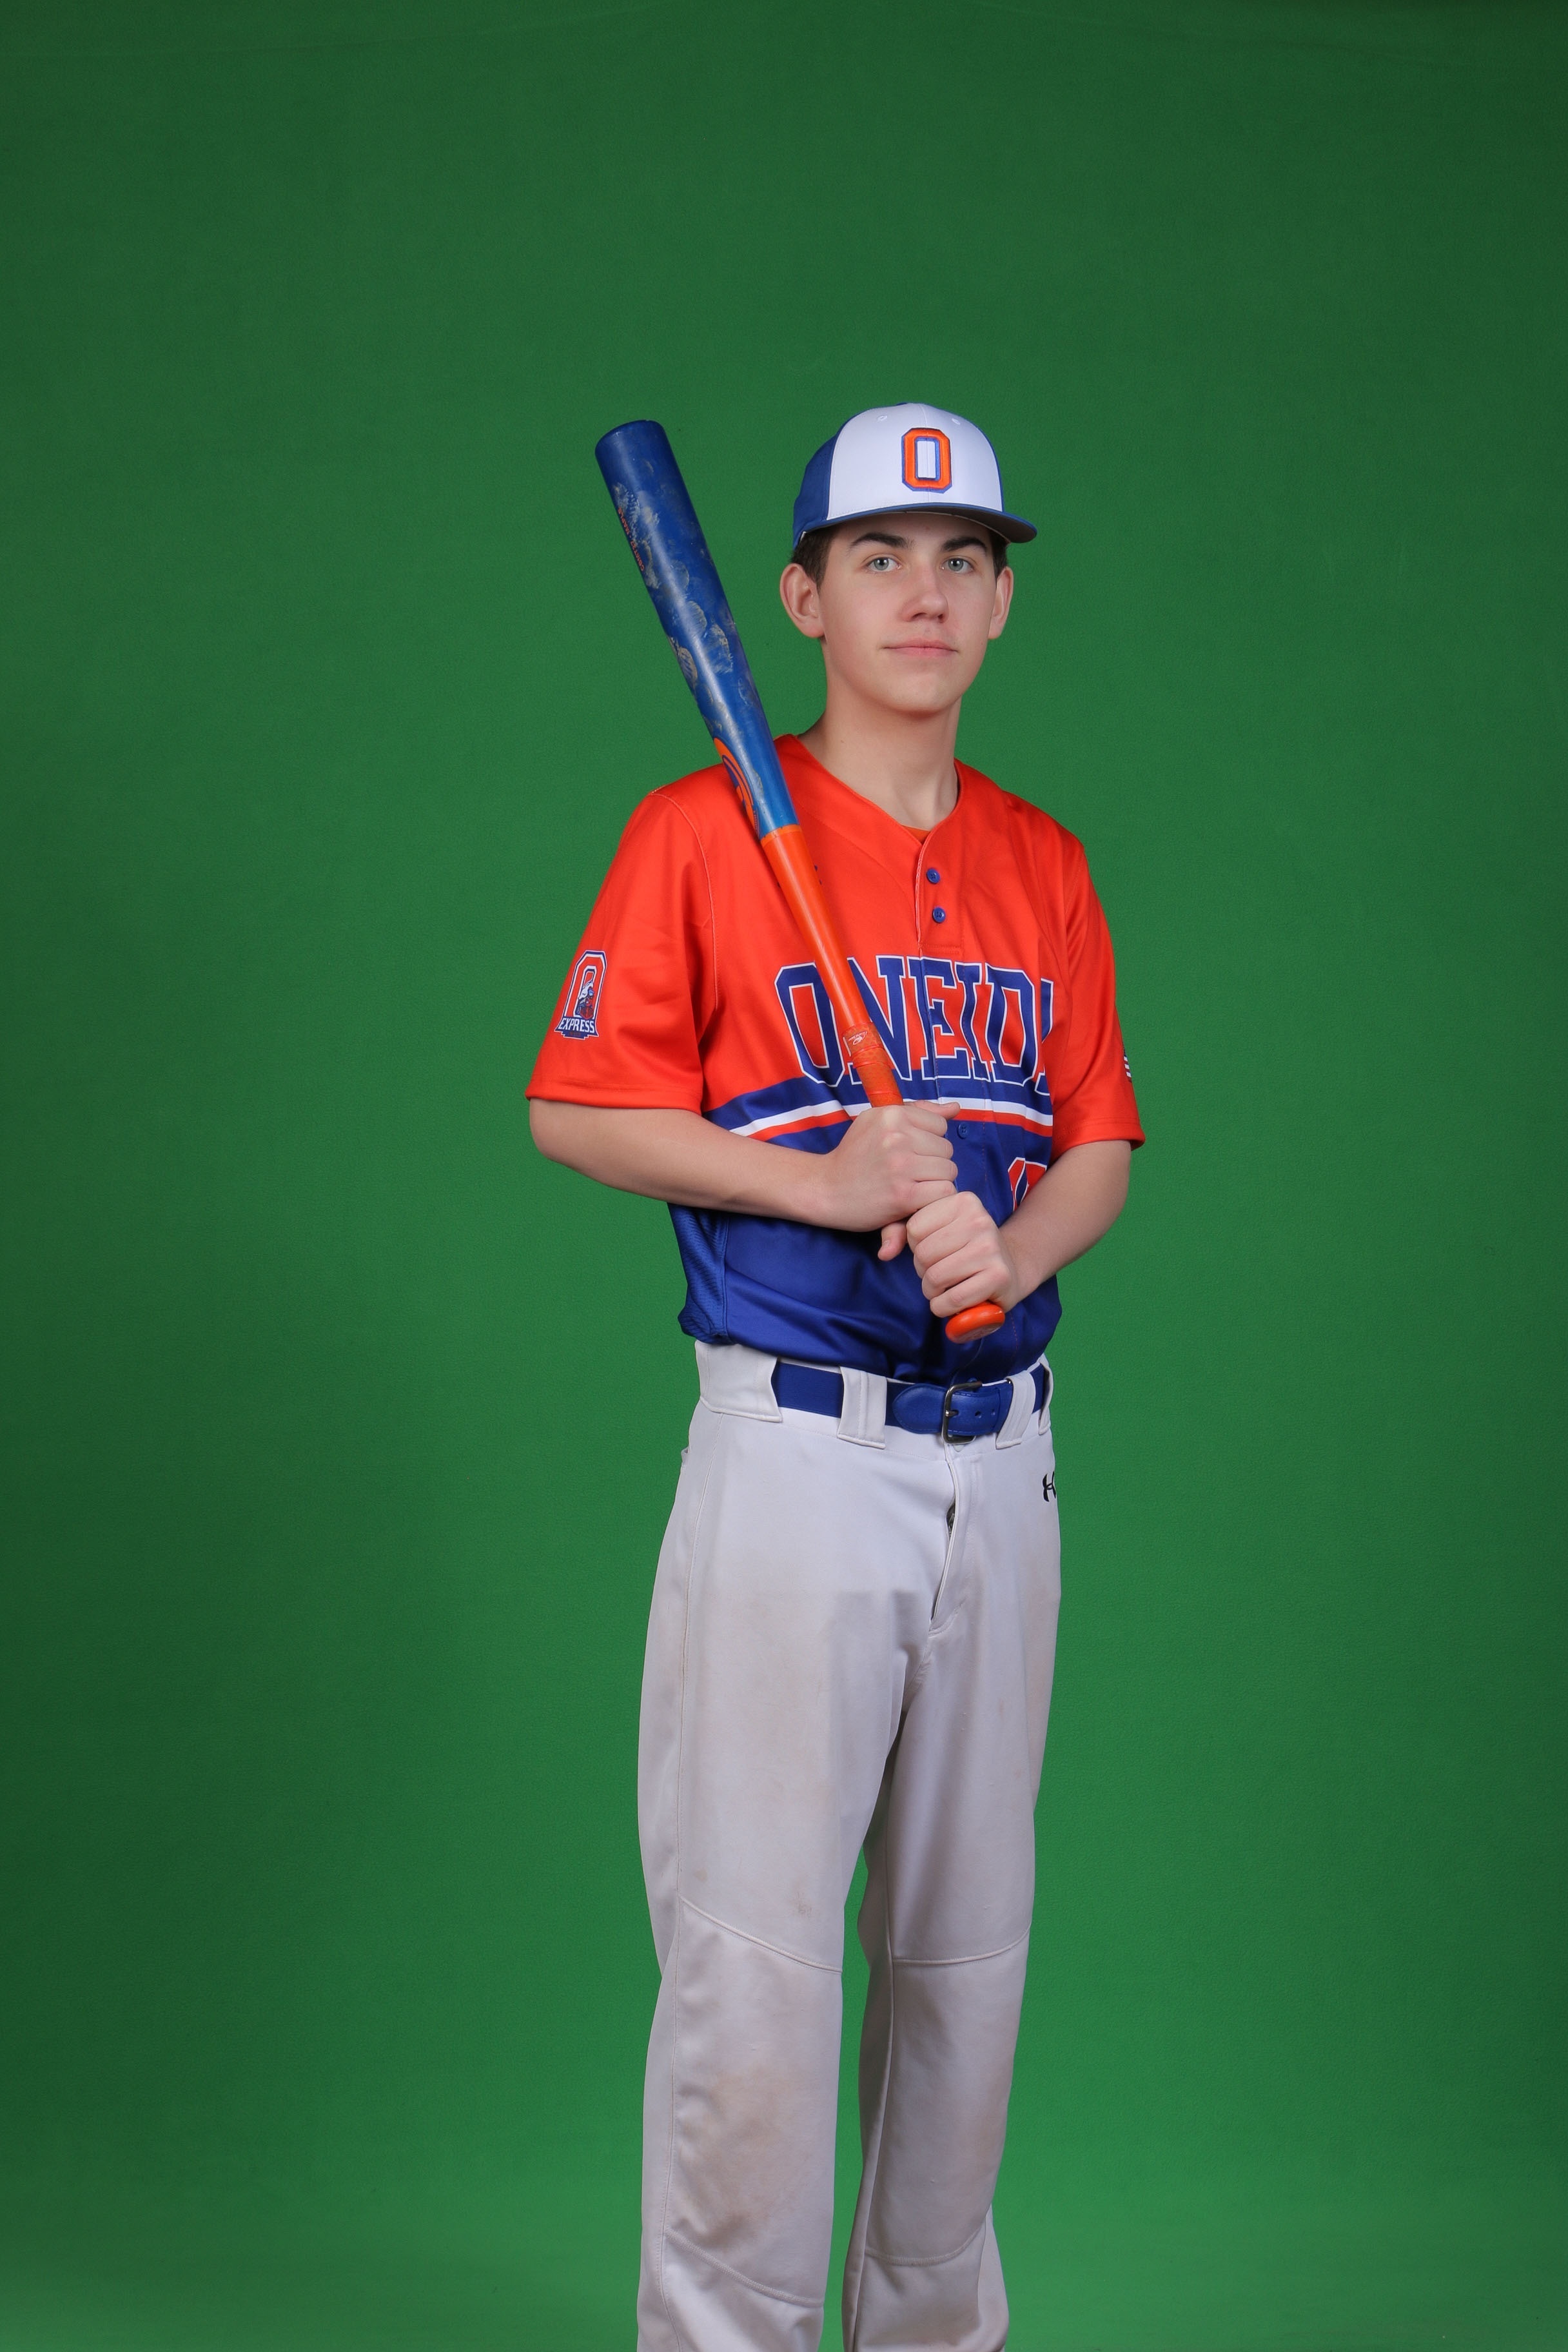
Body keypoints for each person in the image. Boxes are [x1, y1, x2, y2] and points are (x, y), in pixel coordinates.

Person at [528, 403, 1144, 2352]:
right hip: (798, 1454)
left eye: (964, 559)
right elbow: (577, 1107)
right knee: (758, 1964)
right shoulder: (697, 830)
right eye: (879, 557)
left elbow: (1098, 1143)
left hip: (1003, 1463)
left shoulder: (1045, 863)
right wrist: (822, 1181)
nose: (926, 593)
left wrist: (1011, 1252)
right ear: (800, 599)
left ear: (1003, 601)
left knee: (968, 1963)